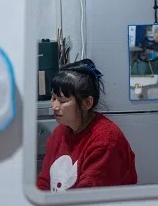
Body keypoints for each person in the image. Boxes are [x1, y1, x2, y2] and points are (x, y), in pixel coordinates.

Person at [37, 60, 138, 192]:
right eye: (53, 98)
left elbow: (86, 198)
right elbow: (44, 181)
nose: (54, 106)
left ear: (87, 103)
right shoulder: (59, 133)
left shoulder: (106, 141)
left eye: (62, 101)